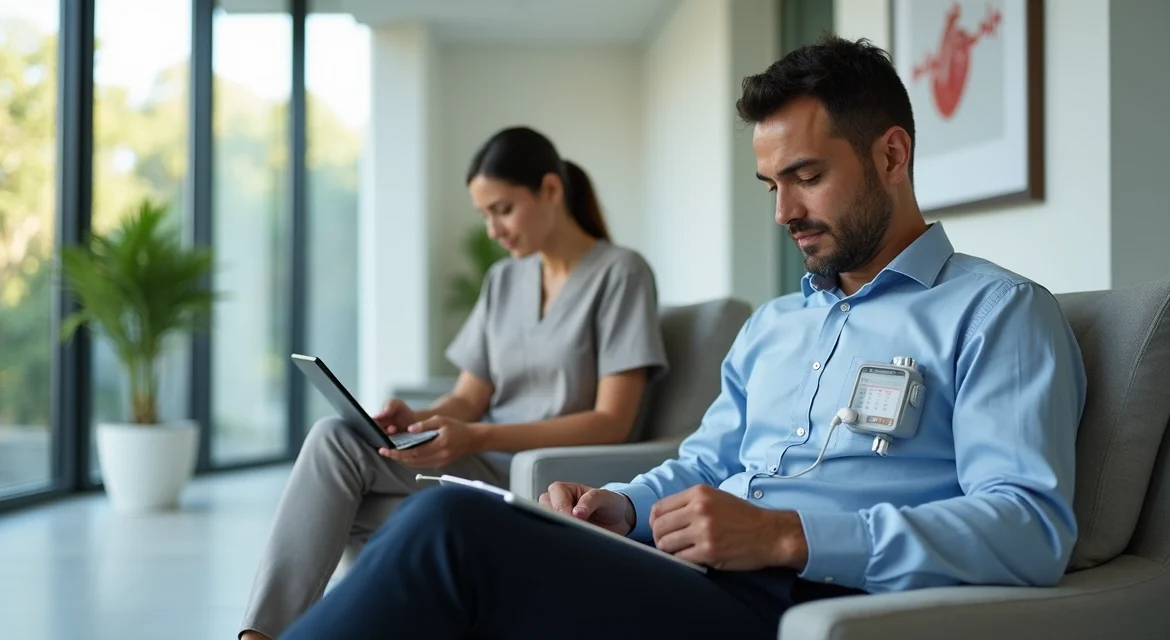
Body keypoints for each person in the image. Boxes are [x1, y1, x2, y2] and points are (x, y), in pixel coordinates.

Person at [279, 36, 1087, 640]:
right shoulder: (775, 326)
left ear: (893, 154)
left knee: (449, 534)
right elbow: (702, 463)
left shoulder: (997, 314)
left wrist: (788, 535)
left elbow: (1029, 526)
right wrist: (622, 509)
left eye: (807, 177)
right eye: (772, 185)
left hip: (807, 601)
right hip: (693, 572)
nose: (783, 214)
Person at [238, 126, 668, 640]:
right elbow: (469, 397)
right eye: (485, 214)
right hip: (478, 464)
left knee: (357, 506)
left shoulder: (621, 273)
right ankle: (260, 637)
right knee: (336, 438)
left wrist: (479, 435)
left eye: (503, 210)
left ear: (551, 191)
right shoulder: (504, 281)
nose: (492, 229)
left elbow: (612, 422)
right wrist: (417, 419)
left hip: (547, 481)